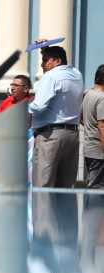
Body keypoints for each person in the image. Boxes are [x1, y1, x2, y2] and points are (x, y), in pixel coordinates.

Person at [29, 42, 84, 188]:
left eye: (46, 60)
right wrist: (45, 51)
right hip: (72, 135)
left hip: (50, 135)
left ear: (58, 61)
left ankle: (43, 213)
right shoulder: (77, 74)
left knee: (43, 186)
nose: (42, 64)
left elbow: (38, 106)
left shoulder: (50, 77)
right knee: (66, 188)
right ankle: (67, 213)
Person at [81, 64, 104, 189]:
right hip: (99, 151)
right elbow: (102, 127)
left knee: (93, 185)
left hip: (89, 149)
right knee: (97, 187)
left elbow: (80, 117)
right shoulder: (102, 98)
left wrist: (90, 128)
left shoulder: (88, 95)